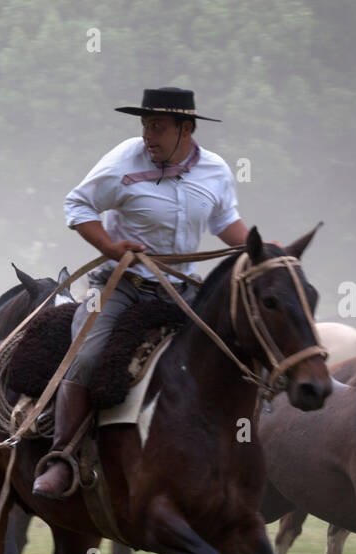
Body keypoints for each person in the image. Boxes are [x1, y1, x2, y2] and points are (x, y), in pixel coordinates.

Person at [33, 87, 251, 499]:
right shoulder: (123, 159)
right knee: (89, 355)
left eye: (158, 127)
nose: (148, 135)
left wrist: (263, 248)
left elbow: (225, 221)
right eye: (145, 125)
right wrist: (112, 249)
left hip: (181, 293)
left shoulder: (217, 171)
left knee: (230, 354)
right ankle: (62, 458)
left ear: (186, 129)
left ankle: (230, 450)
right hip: (120, 288)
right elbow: (78, 205)